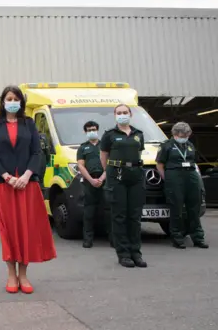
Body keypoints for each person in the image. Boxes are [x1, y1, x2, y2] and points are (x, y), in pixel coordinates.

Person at [0, 86, 56, 295]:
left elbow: (36, 152)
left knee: (26, 230)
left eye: (16, 98)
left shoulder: (29, 123)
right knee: (8, 231)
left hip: (27, 184)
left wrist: (26, 176)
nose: (12, 101)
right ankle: (11, 274)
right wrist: (7, 176)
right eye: (9, 98)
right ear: (3, 101)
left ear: (21, 102)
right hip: (3, 184)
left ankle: (23, 275)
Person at [100, 104, 148, 268]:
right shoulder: (109, 135)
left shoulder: (138, 135)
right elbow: (103, 156)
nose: (122, 115)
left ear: (130, 114)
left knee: (134, 216)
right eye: (119, 113)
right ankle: (123, 254)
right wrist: (110, 173)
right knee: (119, 215)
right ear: (115, 116)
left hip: (135, 175)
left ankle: (136, 253)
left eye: (125, 112)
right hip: (117, 176)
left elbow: (139, 153)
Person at [156, 121, 208, 249]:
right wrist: (166, 178)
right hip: (174, 176)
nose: (184, 136)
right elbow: (160, 164)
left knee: (194, 208)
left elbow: (194, 161)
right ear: (174, 134)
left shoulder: (190, 145)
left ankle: (198, 237)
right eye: (181, 134)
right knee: (176, 208)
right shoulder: (166, 146)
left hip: (190, 176)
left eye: (186, 134)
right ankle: (177, 237)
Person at [76, 121, 112, 248]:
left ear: (98, 130)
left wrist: (102, 178)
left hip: (105, 179)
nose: (92, 131)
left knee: (109, 210)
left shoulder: (105, 146)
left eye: (94, 129)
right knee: (89, 211)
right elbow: (80, 165)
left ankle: (113, 239)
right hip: (89, 180)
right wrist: (91, 180)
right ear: (85, 132)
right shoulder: (83, 147)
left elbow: (110, 163)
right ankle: (88, 239)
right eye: (89, 130)